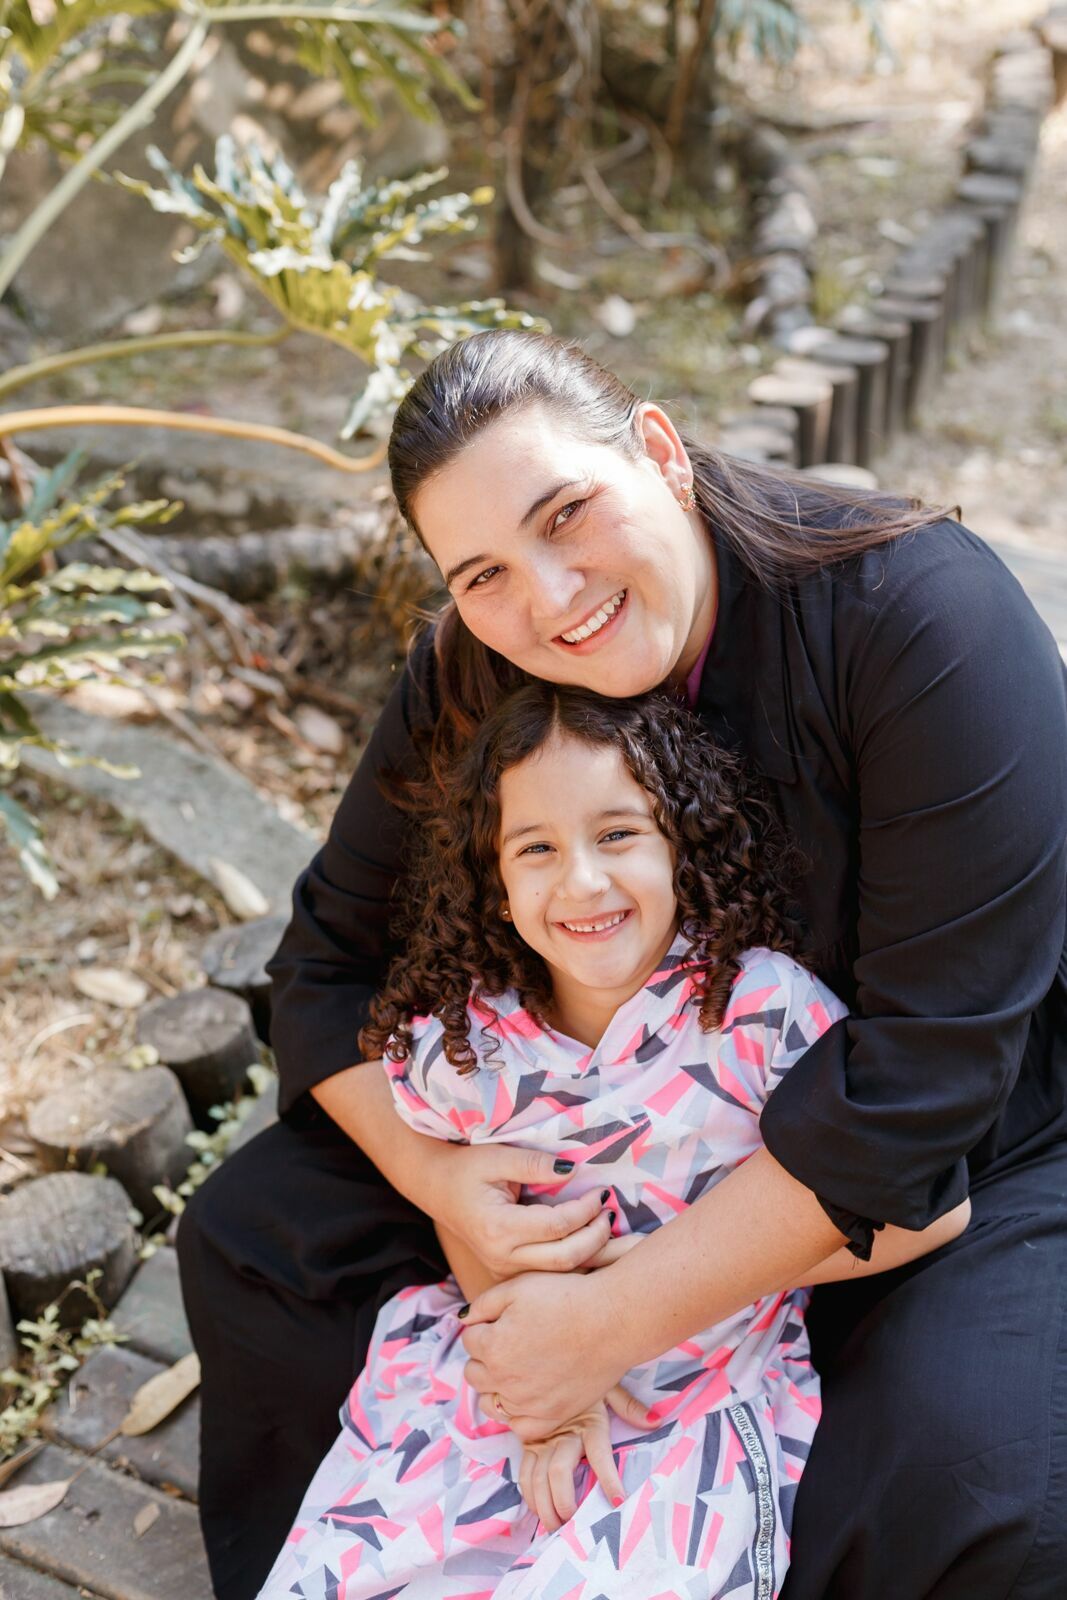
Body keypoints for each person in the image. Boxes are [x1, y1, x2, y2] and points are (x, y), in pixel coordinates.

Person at [177, 329, 1067, 1600]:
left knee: (982, 1490)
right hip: (594, 1137)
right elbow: (326, 965)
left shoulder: (921, 620)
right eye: (481, 571)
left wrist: (604, 1323)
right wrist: (456, 1197)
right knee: (260, 1234)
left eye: (567, 515)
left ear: (658, 450)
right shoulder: (476, 669)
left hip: (968, 1151)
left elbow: (923, 1089)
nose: (546, 600)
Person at [254, 683, 969, 1599]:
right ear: (497, 886)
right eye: (537, 849)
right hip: (503, 1388)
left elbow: (933, 1213)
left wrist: (682, 1281)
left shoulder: (761, 1016)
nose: (582, 880)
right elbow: (473, 1220)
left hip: (695, 1405)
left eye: (619, 834)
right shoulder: (469, 1046)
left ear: (682, 845)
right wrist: (539, 1391)